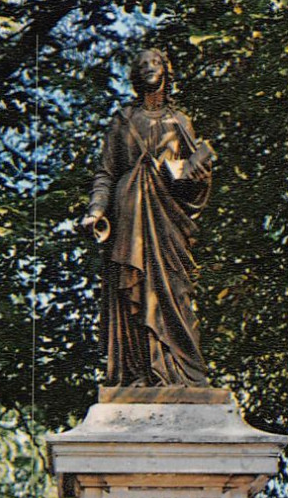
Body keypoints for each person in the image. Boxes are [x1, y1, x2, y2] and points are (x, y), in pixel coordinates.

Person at [82, 49, 213, 387]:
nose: (148, 68)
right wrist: (96, 210)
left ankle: (180, 374)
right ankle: (139, 372)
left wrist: (198, 176)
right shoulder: (123, 120)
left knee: (174, 291)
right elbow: (105, 173)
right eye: (141, 64)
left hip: (167, 223)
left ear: (166, 71)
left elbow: (195, 180)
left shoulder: (179, 122)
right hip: (129, 221)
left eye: (153, 62)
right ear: (134, 75)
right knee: (133, 295)